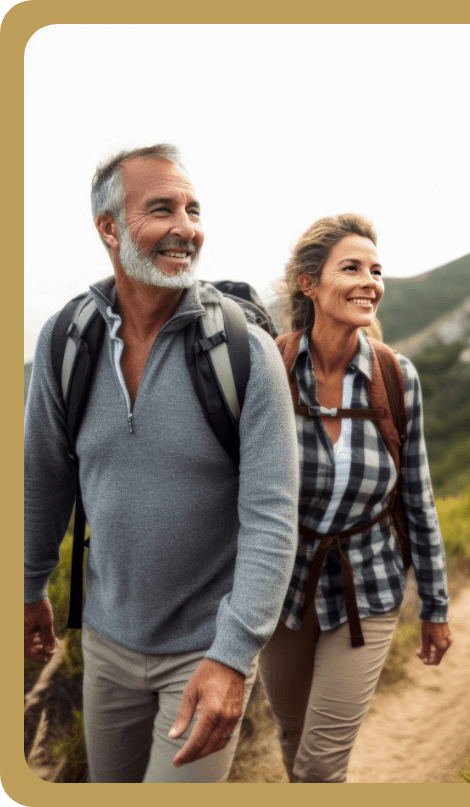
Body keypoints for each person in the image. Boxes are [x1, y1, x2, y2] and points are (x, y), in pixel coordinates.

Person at [23, 144, 299, 783]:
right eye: (162, 209)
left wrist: (232, 659)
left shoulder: (244, 354)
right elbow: (44, 475)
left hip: (205, 651)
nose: (187, 227)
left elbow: (271, 519)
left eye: (193, 209)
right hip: (105, 641)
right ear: (109, 229)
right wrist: (29, 582)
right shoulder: (66, 340)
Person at [258, 214, 453, 783]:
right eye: (352, 268)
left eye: (376, 269)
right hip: (282, 588)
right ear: (308, 283)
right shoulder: (269, 369)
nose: (370, 280)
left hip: (368, 587)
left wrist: (436, 607)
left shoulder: (396, 377)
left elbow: (417, 497)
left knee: (321, 765)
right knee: (294, 740)